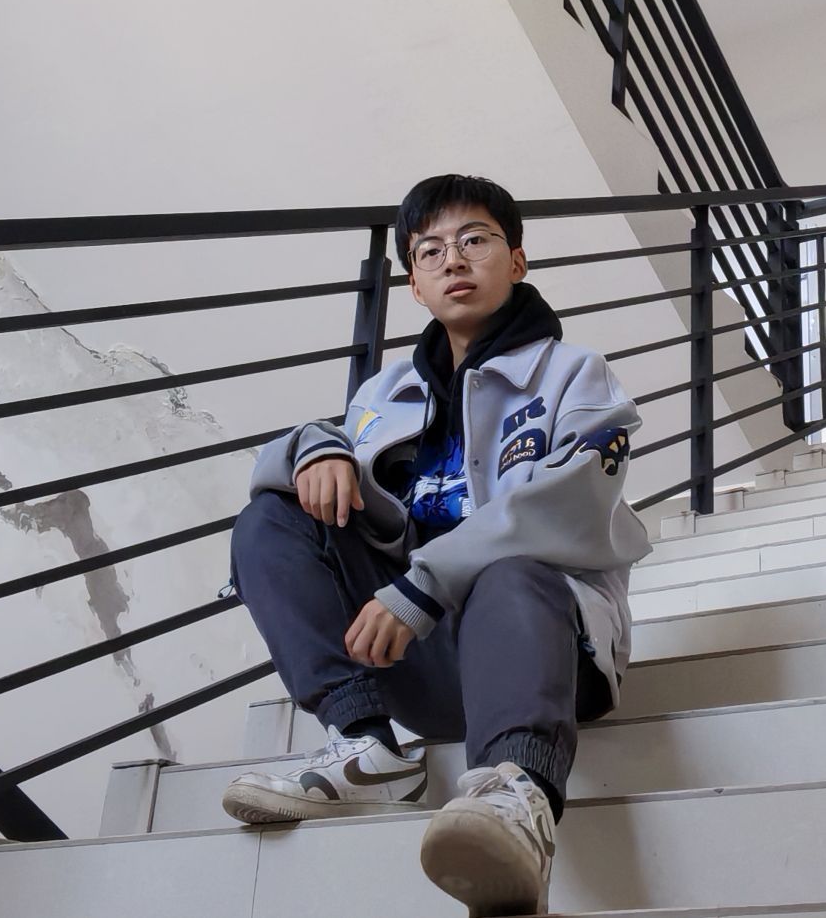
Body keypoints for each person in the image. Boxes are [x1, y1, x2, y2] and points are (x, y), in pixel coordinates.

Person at [222, 174, 651, 915]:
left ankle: (517, 794)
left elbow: (573, 503)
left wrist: (423, 584)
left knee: (513, 566)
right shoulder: (385, 394)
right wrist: (315, 446)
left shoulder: (575, 374)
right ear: (415, 286)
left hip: (545, 646)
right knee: (269, 520)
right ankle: (367, 746)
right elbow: (318, 474)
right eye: (430, 251)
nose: (453, 259)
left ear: (517, 261)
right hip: (416, 657)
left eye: (475, 240)